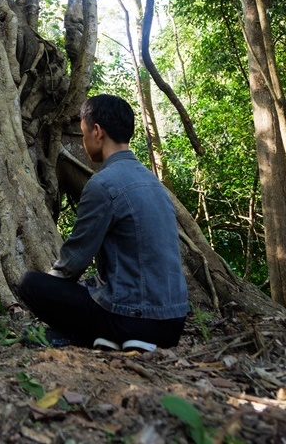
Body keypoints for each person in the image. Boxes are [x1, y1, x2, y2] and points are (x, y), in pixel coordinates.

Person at [18, 94, 189, 352]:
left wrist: (51, 287)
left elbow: (71, 264)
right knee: (91, 287)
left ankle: (87, 334)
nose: (84, 141)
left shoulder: (103, 184)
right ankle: (107, 337)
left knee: (31, 283)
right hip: (173, 324)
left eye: (84, 133)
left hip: (131, 319)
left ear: (97, 131)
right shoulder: (155, 184)